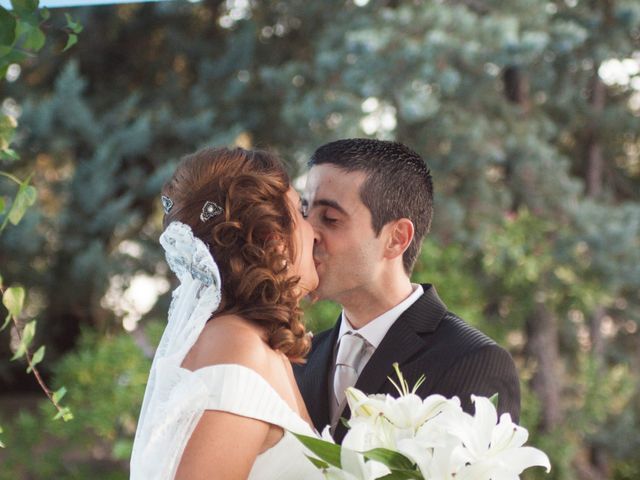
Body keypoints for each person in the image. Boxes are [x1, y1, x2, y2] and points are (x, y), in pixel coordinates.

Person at [294, 138, 521, 444]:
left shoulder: (474, 361)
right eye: (304, 213)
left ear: (396, 238)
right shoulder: (298, 358)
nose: (307, 233)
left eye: (330, 219)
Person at [130, 147, 324, 480]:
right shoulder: (236, 347)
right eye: (301, 213)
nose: (315, 231)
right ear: (273, 238)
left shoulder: (253, 342)